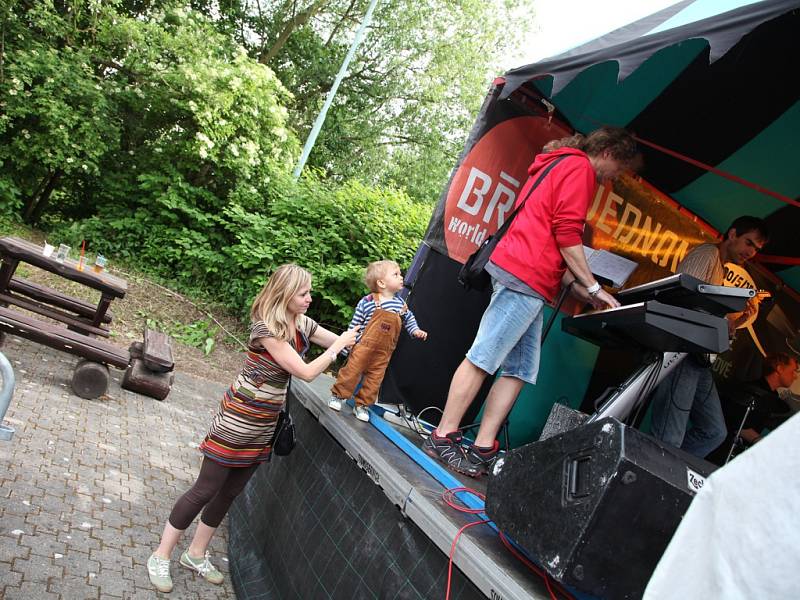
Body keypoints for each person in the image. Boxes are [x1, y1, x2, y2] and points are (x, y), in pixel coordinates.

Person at [423, 126, 641, 477]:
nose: (616, 179)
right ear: (610, 154)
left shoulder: (559, 163)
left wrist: (584, 287)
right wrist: (595, 288)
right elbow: (567, 233)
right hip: (525, 275)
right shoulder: (579, 168)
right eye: (621, 170)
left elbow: (552, 235)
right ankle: (442, 436)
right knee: (483, 357)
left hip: (530, 277)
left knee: (519, 371)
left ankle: (482, 447)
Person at [146, 264, 358, 593]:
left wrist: (363, 334)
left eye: (309, 292)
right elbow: (304, 371)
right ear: (286, 294)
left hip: (263, 424)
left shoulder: (300, 322)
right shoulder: (266, 330)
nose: (309, 299)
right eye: (303, 294)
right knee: (204, 490)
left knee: (230, 492)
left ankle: (196, 554)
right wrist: (337, 347)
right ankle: (161, 555)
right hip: (238, 420)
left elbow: (343, 343)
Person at [649, 216, 769, 458]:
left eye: (756, 249)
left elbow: (709, 313)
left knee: (714, 431)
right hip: (683, 350)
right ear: (732, 233)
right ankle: (654, 465)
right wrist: (722, 318)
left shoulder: (720, 267)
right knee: (670, 436)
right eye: (749, 243)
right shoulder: (707, 254)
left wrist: (736, 319)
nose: (751, 252)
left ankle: (667, 466)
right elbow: (682, 300)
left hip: (698, 358)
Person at [328, 260, 427, 421]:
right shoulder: (367, 302)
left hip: (383, 353)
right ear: (381, 283)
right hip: (362, 348)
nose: (401, 277)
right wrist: (347, 345)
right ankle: (337, 396)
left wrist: (415, 330)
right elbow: (355, 325)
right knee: (351, 373)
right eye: (396, 274)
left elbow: (409, 319)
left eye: (400, 274)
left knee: (374, 381)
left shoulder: (400, 304)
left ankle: (362, 406)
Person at [723, 351, 798, 453]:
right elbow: (738, 426)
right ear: (779, 369)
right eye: (793, 371)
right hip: (727, 447)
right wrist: (764, 445)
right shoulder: (753, 391)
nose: (795, 376)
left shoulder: (773, 396)